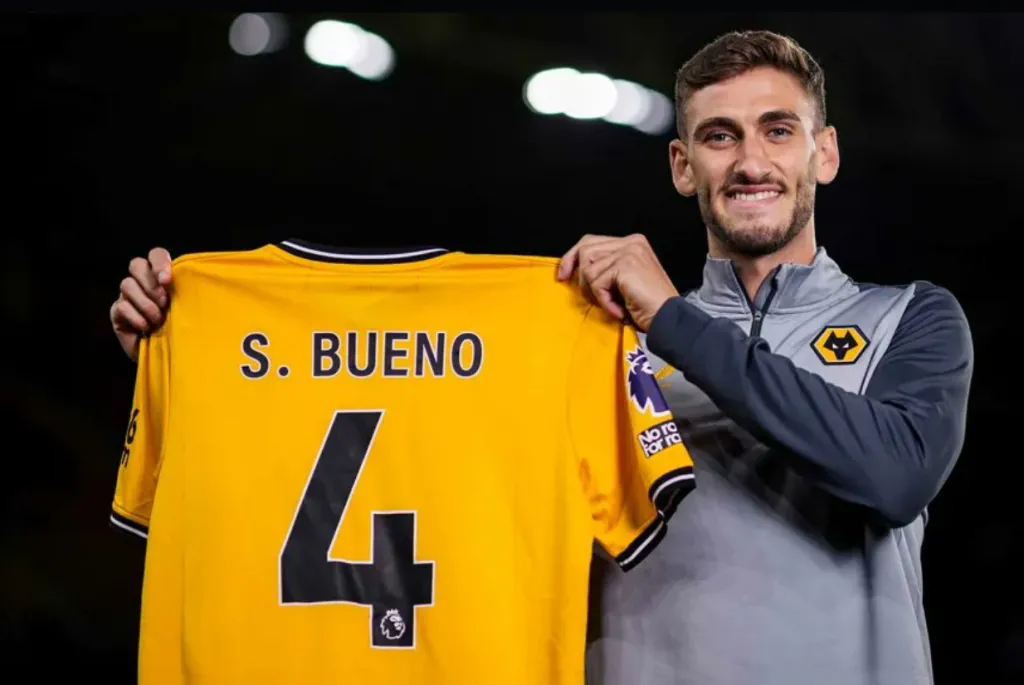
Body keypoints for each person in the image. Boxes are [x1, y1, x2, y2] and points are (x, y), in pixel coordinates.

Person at [110, 29, 972, 685]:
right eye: (719, 137)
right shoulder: (596, 336)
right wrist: (191, 364)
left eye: (777, 130)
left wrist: (671, 318)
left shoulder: (910, 319)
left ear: (823, 152)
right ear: (682, 165)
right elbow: (412, 453)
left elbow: (893, 475)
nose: (750, 160)